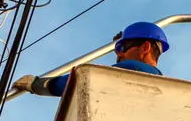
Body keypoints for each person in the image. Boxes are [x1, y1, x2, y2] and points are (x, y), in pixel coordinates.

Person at [13, 21, 169, 97]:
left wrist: (37, 84)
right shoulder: (162, 85)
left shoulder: (135, 70)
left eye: (121, 48)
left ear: (145, 48)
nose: (118, 55)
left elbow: (83, 80)